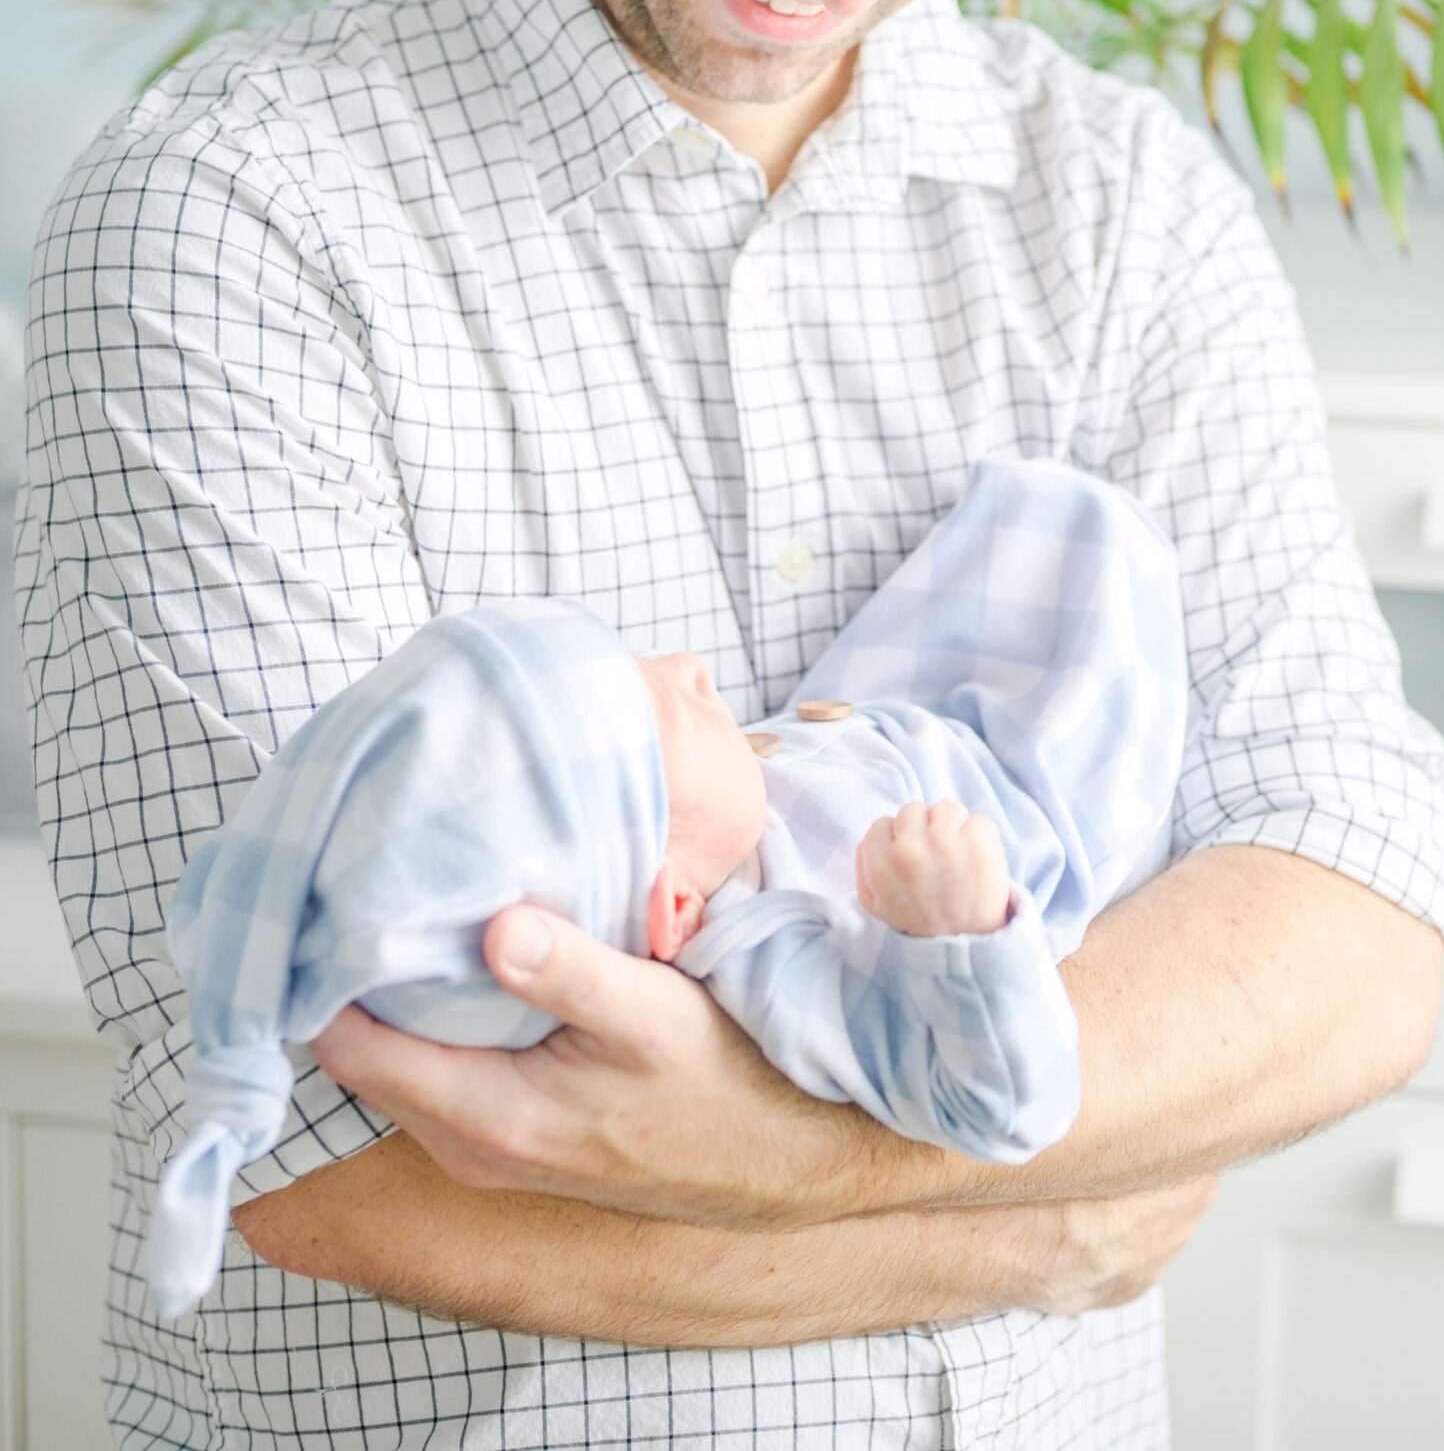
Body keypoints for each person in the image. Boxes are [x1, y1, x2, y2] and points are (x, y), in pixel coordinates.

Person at [16, 0, 1444, 1451]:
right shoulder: (229, 224)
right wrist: (1052, 1201)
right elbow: (321, 1170)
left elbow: (1350, 905)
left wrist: (748, 1146)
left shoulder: (1119, 218)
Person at [144, 455, 1189, 1320]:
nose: (692, 668)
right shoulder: (771, 957)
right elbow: (1004, 1106)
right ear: (674, 907)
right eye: (670, 714)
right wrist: (960, 932)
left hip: (900, 726)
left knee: (1044, 536)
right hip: (1020, 807)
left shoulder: (722, 826)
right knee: (1103, 594)